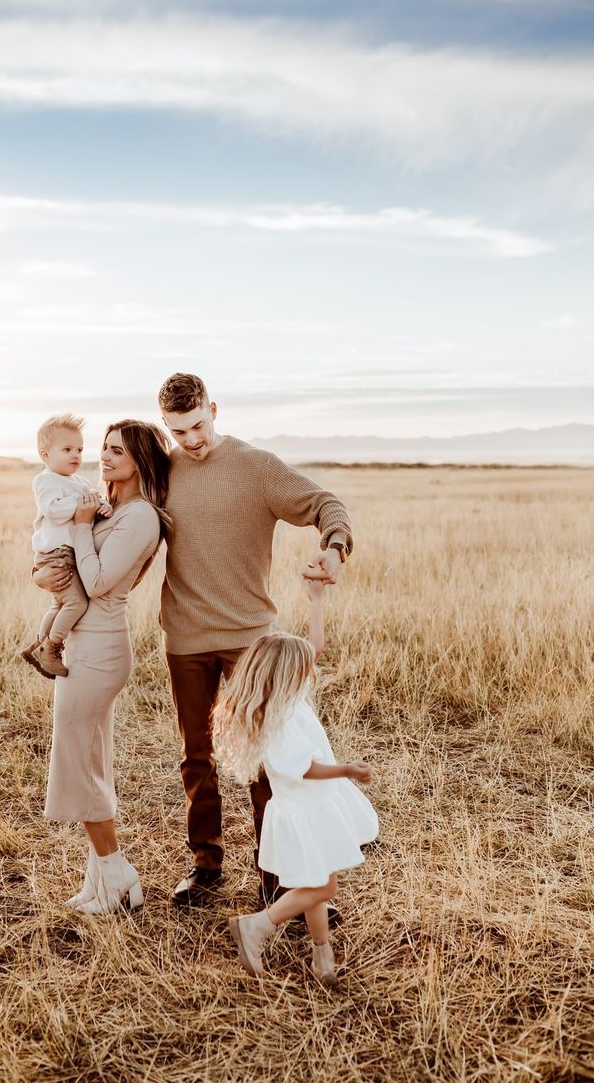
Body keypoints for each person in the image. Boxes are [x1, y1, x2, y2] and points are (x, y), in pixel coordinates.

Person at [157, 373, 353, 913]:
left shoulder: (255, 467)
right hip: (186, 638)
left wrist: (334, 548)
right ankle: (206, 867)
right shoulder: (163, 470)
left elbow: (325, 504)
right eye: (178, 431)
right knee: (197, 757)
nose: (191, 439)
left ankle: (280, 878)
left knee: (268, 764)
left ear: (214, 410)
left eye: (198, 425)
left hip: (251, 642)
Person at [212, 576, 378, 986]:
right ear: (286, 677)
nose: (310, 672)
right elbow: (305, 768)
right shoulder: (279, 723)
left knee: (314, 882)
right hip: (303, 812)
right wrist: (347, 770)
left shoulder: (288, 698)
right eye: (301, 670)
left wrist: (315, 600)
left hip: (309, 808)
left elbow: (313, 649)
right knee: (323, 887)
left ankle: (323, 957)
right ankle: (258, 925)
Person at [35, 419, 171, 915]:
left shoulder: (140, 518)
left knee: (77, 760)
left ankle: (117, 873)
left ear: (140, 461)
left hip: (101, 651)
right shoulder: (105, 506)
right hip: (82, 645)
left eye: (118, 451)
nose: (105, 457)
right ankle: (99, 880)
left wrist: (76, 528)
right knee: (91, 761)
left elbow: (92, 582)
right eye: (105, 449)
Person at [21, 412, 111, 679]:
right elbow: (54, 510)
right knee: (76, 603)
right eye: (67, 449)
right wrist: (85, 506)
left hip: (69, 552)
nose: (76, 455)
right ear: (45, 455)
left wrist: (101, 506)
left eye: (80, 449)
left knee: (60, 604)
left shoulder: (80, 482)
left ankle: (37, 644)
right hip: (55, 554)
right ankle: (51, 647)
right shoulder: (45, 480)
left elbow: (95, 500)